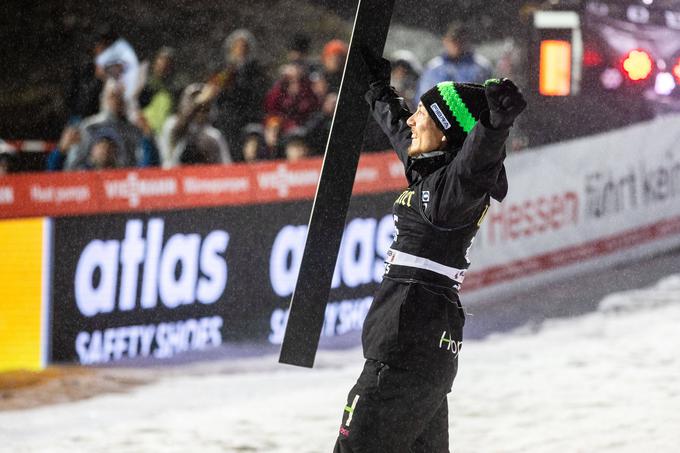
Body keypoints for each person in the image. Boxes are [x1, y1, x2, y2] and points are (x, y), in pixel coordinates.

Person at [334, 49, 526, 453]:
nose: (412, 119)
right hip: (424, 357)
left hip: (403, 356)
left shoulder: (450, 194)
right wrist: (376, 92)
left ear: (445, 131)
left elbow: (474, 165)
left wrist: (493, 127)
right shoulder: (431, 173)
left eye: (422, 112)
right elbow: (403, 135)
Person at [213, 29, 268, 161]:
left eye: (244, 47)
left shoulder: (255, 71)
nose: (240, 50)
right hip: (227, 120)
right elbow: (217, 93)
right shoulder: (223, 70)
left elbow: (257, 94)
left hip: (248, 119)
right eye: (237, 47)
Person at [414, 22, 493, 105]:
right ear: (445, 41)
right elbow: (422, 97)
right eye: (454, 40)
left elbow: (488, 97)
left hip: (471, 114)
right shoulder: (433, 67)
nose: (457, 44)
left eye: (461, 40)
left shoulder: (481, 66)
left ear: (468, 41)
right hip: (438, 114)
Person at [158, 83, 231, 167]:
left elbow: (226, 168)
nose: (200, 110)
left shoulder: (213, 136)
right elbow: (180, 127)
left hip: (202, 177)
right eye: (192, 100)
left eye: (204, 106)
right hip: (174, 176)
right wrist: (198, 103)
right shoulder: (172, 123)